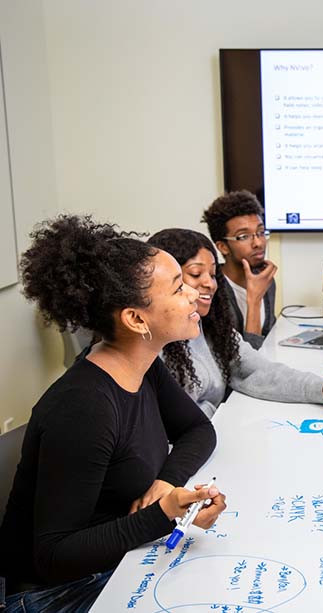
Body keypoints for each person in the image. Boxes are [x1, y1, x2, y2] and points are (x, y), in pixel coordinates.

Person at [0, 215, 226, 612]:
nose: (194, 295)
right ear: (136, 319)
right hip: (50, 593)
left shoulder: (144, 365)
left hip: (117, 562)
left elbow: (197, 429)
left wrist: (166, 483)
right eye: (178, 288)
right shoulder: (83, 407)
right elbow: (53, 555)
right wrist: (166, 514)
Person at [147, 229, 323, 417]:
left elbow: (259, 370)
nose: (209, 284)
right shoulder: (155, 345)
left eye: (213, 275)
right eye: (195, 274)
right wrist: (228, 414)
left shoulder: (213, 326)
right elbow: (176, 423)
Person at [201, 190, 277, 349]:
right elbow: (244, 365)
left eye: (261, 232)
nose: (258, 243)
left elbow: (268, 341)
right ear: (222, 247)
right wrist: (254, 300)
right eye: (244, 236)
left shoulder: (265, 279)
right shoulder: (213, 292)